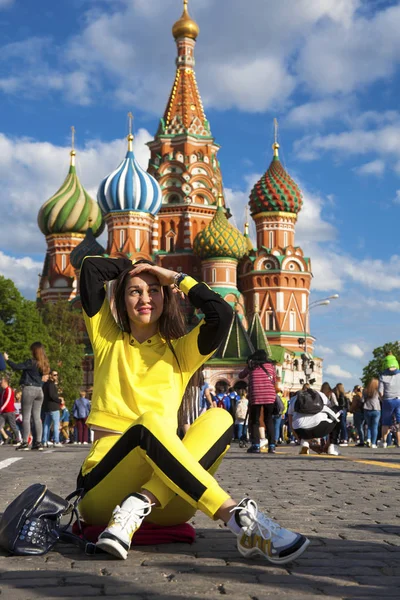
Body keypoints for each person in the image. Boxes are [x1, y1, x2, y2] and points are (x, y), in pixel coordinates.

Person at [76, 256, 309, 564]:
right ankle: (238, 519)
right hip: (103, 491)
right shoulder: (107, 338)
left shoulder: (181, 351)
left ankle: (139, 502)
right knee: (150, 422)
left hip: (168, 503)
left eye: (153, 290)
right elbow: (91, 269)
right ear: (120, 301)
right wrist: (138, 265)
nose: (145, 298)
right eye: (134, 291)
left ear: (166, 297)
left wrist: (174, 277)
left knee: (220, 417)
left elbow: (222, 314)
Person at [4, 343, 49, 451]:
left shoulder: (31, 362)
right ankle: (38, 442)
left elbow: (16, 367)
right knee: (37, 418)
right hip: (39, 391)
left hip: (29, 389)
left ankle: (25, 442)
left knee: (26, 417)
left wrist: (7, 359)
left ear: (34, 351)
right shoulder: (44, 364)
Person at [239, 350, 277, 454]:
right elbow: (274, 380)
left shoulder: (251, 366)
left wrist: (248, 365)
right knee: (268, 420)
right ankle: (272, 446)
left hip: (256, 396)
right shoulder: (270, 366)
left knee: (254, 421)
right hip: (270, 396)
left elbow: (240, 376)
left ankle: (255, 446)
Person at [287, 388, 341, 456]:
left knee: (300, 423)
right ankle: (332, 446)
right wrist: (327, 444)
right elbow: (331, 412)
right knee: (339, 412)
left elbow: (291, 423)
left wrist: (299, 439)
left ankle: (304, 443)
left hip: (301, 430)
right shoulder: (320, 394)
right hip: (319, 427)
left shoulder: (293, 399)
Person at [378, 354, 400, 448]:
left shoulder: (382, 376)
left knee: (386, 422)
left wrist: (383, 399)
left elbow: (380, 391)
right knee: (399, 422)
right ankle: (399, 442)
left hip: (388, 400)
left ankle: (384, 441)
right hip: (399, 399)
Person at [42, 370, 63, 448]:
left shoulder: (45, 384)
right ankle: (56, 441)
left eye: (57, 375)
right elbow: (52, 395)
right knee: (56, 424)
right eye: (54, 375)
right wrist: (59, 400)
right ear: (50, 375)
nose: (56, 376)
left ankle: (44, 441)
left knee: (46, 425)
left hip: (47, 407)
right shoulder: (51, 384)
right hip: (54, 407)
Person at [0, 376, 21, 445]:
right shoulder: (3, 391)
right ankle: (6, 437)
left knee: (13, 426)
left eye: (2, 382)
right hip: (3, 412)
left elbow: (8, 400)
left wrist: (2, 408)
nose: (1, 383)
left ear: (5, 382)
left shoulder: (9, 390)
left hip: (9, 411)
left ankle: (18, 439)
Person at [362, 378, 381, 448]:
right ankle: (373, 443)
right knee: (375, 427)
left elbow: (362, 400)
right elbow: (382, 399)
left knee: (369, 426)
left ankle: (368, 439)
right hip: (376, 409)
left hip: (367, 409)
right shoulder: (378, 391)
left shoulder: (365, 390)